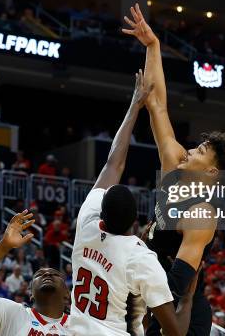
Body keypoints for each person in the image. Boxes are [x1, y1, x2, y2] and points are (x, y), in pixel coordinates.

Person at [123, 3, 225, 336]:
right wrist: (153, 46)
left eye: (201, 151)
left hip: (180, 313)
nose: (191, 149)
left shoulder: (202, 214)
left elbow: (179, 283)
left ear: (211, 173)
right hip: (152, 300)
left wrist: (144, 319)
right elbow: (157, 104)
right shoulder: (174, 166)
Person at [69, 71, 196, 336]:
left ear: (101, 217)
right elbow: (174, 332)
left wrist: (134, 106)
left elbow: (113, 163)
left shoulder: (87, 224)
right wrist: (188, 298)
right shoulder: (139, 257)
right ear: (135, 222)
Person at [0, 211, 70, 335]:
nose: (47, 274)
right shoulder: (13, 313)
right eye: (39, 275)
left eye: (55, 274)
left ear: (67, 294)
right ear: (30, 293)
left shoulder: (82, 327)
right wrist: (4, 246)